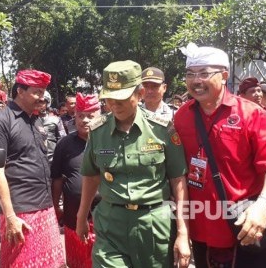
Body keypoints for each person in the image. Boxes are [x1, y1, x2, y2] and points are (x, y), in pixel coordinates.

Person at [175, 43, 266, 267]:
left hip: (245, 227)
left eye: (204, 74)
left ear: (224, 76)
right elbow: (177, 175)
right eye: (190, 74)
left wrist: (263, 205)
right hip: (201, 231)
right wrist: (182, 232)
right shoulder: (181, 117)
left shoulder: (251, 114)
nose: (196, 81)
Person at [76, 60, 191, 268]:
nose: (114, 105)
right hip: (110, 225)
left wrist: (183, 233)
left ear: (139, 93)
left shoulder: (162, 130)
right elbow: (91, 176)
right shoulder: (98, 131)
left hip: (154, 226)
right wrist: (81, 216)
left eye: (121, 98)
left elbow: (178, 181)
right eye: (109, 98)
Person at [0, 69, 65, 268]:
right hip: (20, 212)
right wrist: (10, 216)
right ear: (20, 91)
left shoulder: (36, 120)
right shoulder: (0, 122)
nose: (42, 97)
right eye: (37, 92)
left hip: (44, 207)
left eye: (43, 92)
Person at [51, 92, 102, 268]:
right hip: (74, 218)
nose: (85, 120)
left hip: (105, 220)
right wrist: (56, 206)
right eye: (80, 116)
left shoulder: (109, 142)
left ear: (100, 116)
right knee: (77, 263)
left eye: (90, 116)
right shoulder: (64, 144)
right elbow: (57, 178)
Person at [37, 91, 66, 164]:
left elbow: (62, 140)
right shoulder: (28, 120)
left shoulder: (56, 120)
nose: (39, 104)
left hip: (52, 160)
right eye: (37, 102)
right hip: (35, 160)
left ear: (47, 103)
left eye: (42, 102)